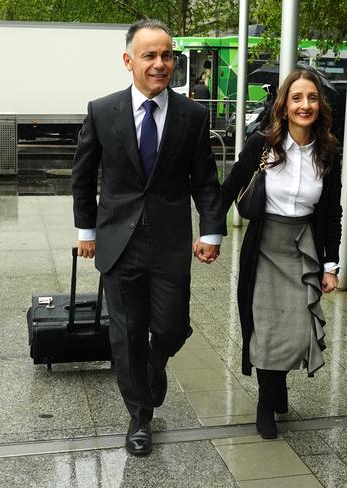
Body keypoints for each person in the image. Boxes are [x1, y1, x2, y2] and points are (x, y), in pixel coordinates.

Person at [71, 19, 225, 456]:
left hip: (170, 243)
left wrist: (211, 230)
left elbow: (206, 182)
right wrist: (87, 231)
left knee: (172, 325)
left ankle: (157, 363)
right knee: (126, 333)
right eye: (150, 55)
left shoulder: (192, 116)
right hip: (118, 244)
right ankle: (139, 417)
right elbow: (83, 177)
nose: (161, 64)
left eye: (167, 55)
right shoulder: (103, 111)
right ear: (129, 61)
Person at [221, 69, 342, 439]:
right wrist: (210, 234)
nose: (305, 105)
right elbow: (229, 188)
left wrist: (331, 264)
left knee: (295, 328)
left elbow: (331, 211)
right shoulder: (262, 144)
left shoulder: (327, 152)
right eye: (297, 98)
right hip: (264, 246)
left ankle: (277, 388)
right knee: (267, 326)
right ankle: (266, 401)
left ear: (320, 105)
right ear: (284, 106)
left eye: (312, 98)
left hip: (302, 247)